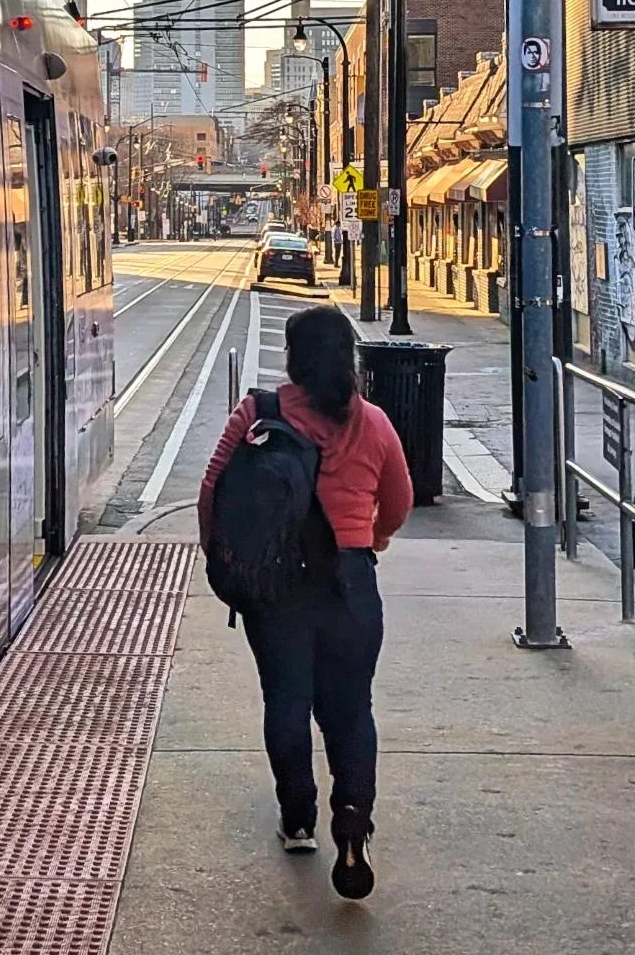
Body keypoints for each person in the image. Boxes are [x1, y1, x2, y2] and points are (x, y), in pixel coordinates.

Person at [198, 305, 412, 900]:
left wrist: (226, 560)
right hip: (350, 585)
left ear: (292, 359)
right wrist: (371, 541)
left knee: (286, 700)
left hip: (277, 588)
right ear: (350, 359)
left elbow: (212, 486)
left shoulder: (258, 413)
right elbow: (398, 501)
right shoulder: (373, 423)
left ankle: (298, 820)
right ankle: (352, 817)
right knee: (350, 709)